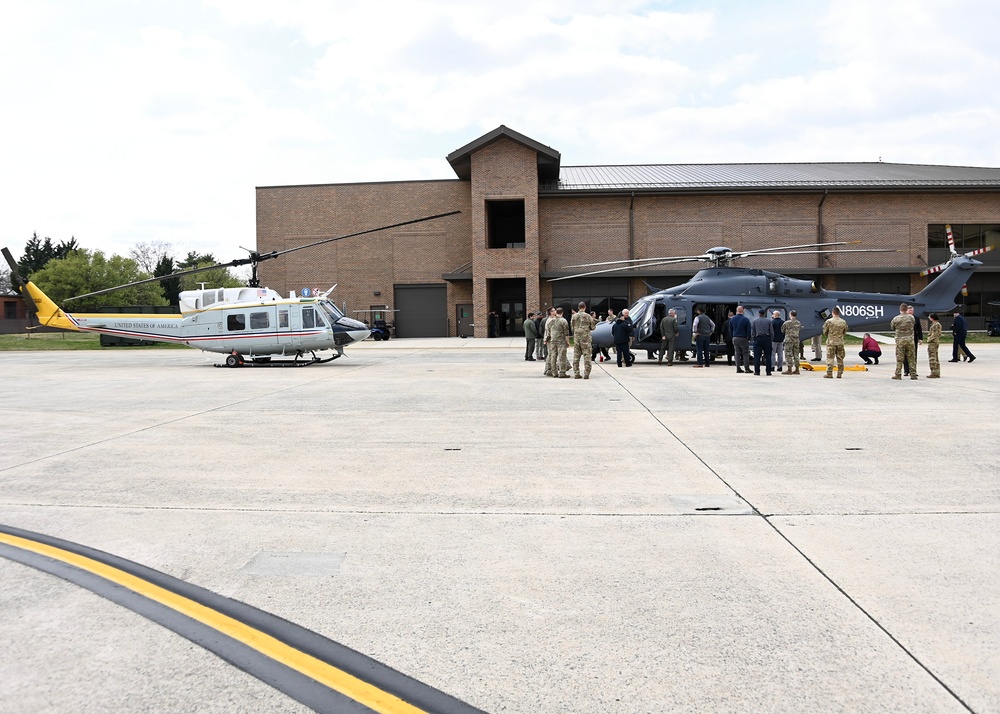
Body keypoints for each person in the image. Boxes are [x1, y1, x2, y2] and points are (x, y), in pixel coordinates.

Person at [890, 302, 917, 380]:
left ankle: (898, 374)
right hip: (910, 339)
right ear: (906, 309)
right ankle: (913, 374)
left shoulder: (896, 318)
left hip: (900, 339)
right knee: (911, 357)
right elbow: (913, 324)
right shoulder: (911, 317)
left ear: (900, 309)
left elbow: (892, 327)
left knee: (900, 358)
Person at [571, 301, 597, 379]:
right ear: (585, 307)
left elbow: (572, 328)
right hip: (585, 339)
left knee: (576, 357)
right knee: (587, 357)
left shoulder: (574, 316)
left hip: (576, 339)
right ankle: (586, 373)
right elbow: (593, 327)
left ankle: (576, 373)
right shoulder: (588, 316)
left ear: (578, 308)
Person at [544, 307, 571, 378]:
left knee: (553, 356)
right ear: (562, 313)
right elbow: (566, 333)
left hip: (552, 341)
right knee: (562, 357)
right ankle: (562, 372)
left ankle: (554, 372)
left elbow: (548, 332)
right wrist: (567, 342)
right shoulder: (563, 321)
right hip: (561, 341)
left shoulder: (551, 321)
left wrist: (546, 340)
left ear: (556, 312)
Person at [822, 306, 848, 378]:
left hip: (831, 342)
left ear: (833, 313)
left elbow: (825, 331)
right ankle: (839, 373)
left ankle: (829, 373)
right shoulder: (843, 322)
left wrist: (830, 336)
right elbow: (845, 331)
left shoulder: (829, 321)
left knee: (830, 358)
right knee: (840, 358)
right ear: (839, 313)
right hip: (840, 342)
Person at [750, 309, 773, 375]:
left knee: (757, 356)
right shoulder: (769, 321)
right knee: (768, 356)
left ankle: (757, 371)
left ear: (759, 313)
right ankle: (768, 371)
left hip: (758, 338)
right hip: (767, 339)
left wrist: (754, 338)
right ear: (764, 313)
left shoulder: (754, 321)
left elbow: (753, 332)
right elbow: (771, 331)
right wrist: (770, 339)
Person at [730, 305, 752, 373]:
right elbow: (749, 330)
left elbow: (730, 330)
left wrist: (733, 336)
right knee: (745, 353)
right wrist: (749, 338)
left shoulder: (732, 319)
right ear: (743, 311)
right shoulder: (746, 319)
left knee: (737, 353)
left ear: (736, 311)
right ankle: (747, 368)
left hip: (735, 338)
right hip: (743, 338)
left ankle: (738, 368)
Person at [780, 310, 802, 375]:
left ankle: (789, 369)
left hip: (789, 340)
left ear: (790, 315)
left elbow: (782, 330)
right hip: (796, 340)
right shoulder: (798, 323)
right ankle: (797, 369)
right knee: (796, 354)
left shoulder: (787, 323)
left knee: (788, 354)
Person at [904, 306, 922, 376]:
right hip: (906, 339)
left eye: (912, 310)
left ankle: (913, 370)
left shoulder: (916, 318)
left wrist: (920, 338)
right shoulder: (904, 318)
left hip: (914, 339)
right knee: (905, 355)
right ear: (907, 311)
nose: (911, 312)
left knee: (914, 355)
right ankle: (906, 370)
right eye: (909, 310)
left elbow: (919, 329)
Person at [926, 313, 942, 378]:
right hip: (935, 342)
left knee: (932, 357)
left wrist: (929, 339)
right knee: (935, 357)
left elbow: (935, 334)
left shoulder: (935, 325)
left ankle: (934, 372)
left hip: (933, 342)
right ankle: (937, 372)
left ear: (932, 318)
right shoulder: (936, 324)